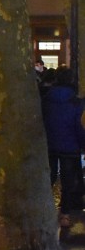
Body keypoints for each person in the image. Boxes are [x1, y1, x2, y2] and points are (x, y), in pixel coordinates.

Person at [41, 65, 85, 229]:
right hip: (70, 146)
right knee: (67, 182)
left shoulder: (47, 98)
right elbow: (79, 126)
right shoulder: (75, 102)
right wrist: (82, 144)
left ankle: (45, 209)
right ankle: (64, 214)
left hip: (50, 144)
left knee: (49, 178)